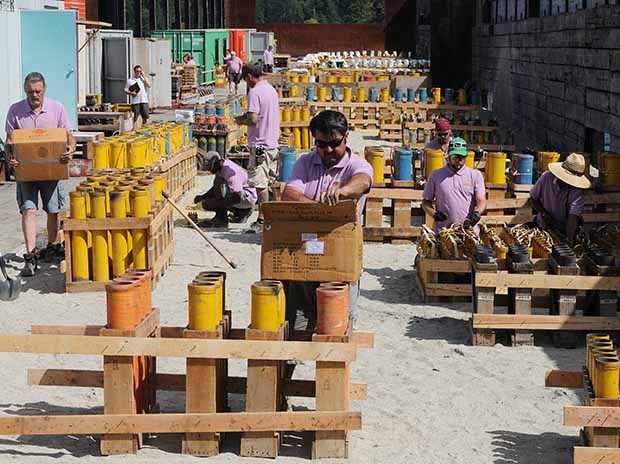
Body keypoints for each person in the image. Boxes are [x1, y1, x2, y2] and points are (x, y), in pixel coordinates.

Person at [281, 110, 373, 332]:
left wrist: (343, 191)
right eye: (322, 144)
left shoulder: (356, 165)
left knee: (337, 327)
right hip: (304, 254)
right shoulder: (305, 162)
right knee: (298, 324)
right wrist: (320, 210)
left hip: (340, 257)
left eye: (334, 143)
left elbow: (363, 181)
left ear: (346, 137)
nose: (328, 150)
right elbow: (289, 193)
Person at [4, 72, 75, 276]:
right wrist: (10, 158)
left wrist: (70, 150)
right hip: (26, 172)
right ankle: (30, 255)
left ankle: (52, 247)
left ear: (44, 90)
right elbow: (9, 142)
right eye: (30, 92)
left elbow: (69, 138)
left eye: (38, 92)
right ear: (25, 91)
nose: (34, 95)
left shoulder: (57, 108)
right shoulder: (16, 111)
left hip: (51, 170)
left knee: (53, 210)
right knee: (28, 210)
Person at [235, 62, 280, 233]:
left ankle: (262, 220)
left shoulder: (254, 92)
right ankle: (273, 216)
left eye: (245, 79)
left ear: (248, 77)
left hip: (260, 144)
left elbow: (253, 119)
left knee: (260, 184)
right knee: (269, 181)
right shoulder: (270, 89)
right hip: (272, 142)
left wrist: (241, 120)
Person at [422, 137, 486, 233]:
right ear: (449, 156)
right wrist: (434, 214)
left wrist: (477, 213)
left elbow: (481, 200)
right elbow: (426, 202)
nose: (459, 161)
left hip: (469, 232)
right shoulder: (436, 175)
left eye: (462, 157)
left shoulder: (475, 175)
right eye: (455, 157)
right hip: (444, 233)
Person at [530, 152, 590, 244]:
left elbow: (573, 218)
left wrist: (569, 240)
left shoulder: (577, 191)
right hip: (544, 226)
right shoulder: (546, 178)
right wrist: (544, 213)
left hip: (565, 228)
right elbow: (533, 198)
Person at [192, 151, 257, 228]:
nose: (209, 171)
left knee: (218, 183)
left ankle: (221, 219)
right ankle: (241, 212)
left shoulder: (230, 173)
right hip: (243, 196)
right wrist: (202, 197)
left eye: (210, 168)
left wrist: (217, 204)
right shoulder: (222, 167)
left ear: (217, 163)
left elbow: (237, 197)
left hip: (246, 199)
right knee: (213, 194)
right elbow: (215, 190)